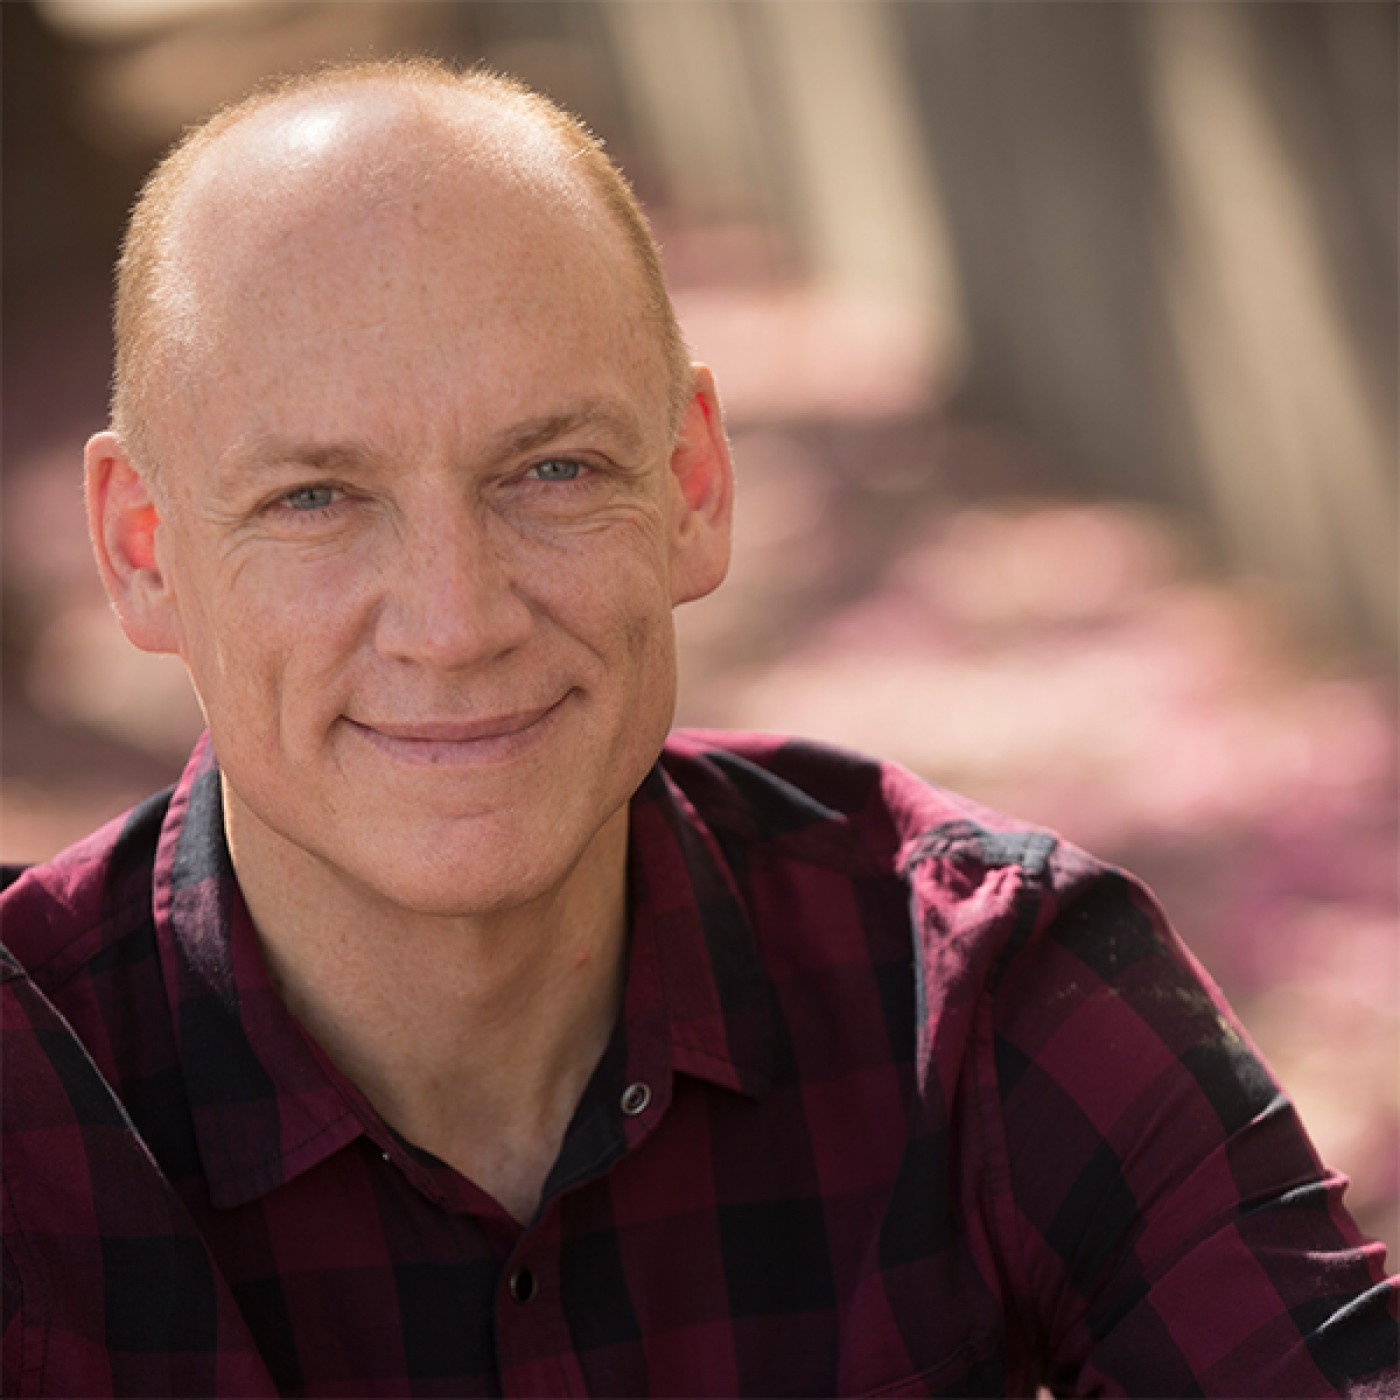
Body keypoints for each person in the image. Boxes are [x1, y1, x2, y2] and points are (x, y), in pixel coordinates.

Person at [1, 58, 1394, 1399]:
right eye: (314, 497)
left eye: (553, 469)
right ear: (142, 550)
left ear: (694, 486)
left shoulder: (985, 997)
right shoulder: (27, 1113)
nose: (455, 620)